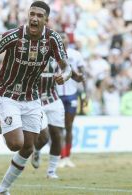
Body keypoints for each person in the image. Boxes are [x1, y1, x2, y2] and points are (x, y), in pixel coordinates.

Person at [0, 1, 72, 194]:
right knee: (15, 144)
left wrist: (66, 75)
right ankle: (4, 122)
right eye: (32, 14)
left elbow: (66, 66)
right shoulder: (14, 36)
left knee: (29, 148)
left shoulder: (53, 39)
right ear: (27, 15)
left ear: (46, 20)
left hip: (32, 97)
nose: (34, 18)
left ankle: (2, 189)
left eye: (39, 16)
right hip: (9, 95)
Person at [56, 35, 87, 168]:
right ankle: (59, 156)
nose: (64, 43)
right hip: (56, 95)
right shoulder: (53, 55)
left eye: (66, 41)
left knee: (69, 126)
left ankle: (67, 157)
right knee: (57, 128)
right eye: (62, 41)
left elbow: (82, 74)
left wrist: (85, 94)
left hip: (71, 94)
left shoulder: (76, 54)